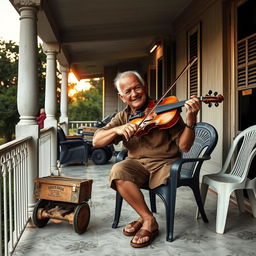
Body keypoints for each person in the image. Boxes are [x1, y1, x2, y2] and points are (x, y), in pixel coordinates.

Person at [92, 71, 200, 248]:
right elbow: (96, 140)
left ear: (145, 87)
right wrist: (116, 130)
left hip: (164, 165)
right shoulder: (122, 117)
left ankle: (144, 220)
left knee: (125, 167)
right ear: (121, 97)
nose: (134, 94)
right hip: (137, 165)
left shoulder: (167, 109)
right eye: (128, 91)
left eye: (137, 87)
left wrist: (191, 120)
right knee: (117, 170)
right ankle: (148, 219)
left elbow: (185, 147)